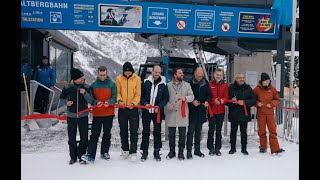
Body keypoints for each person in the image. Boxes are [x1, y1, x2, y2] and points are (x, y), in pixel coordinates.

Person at [81, 66, 117, 163]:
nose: (102, 77)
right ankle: (91, 155)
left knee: (107, 134)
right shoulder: (93, 85)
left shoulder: (112, 84)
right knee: (94, 135)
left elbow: (115, 97)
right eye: (100, 75)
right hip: (97, 114)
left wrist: (108, 102)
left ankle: (104, 152)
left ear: (107, 73)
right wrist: (96, 102)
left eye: (104, 75)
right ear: (98, 74)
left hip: (109, 114)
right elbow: (91, 100)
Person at [60, 68, 93, 165]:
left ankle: (82, 156)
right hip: (71, 117)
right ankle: (73, 157)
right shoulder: (67, 87)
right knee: (71, 138)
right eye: (81, 78)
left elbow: (91, 101)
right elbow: (61, 99)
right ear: (75, 79)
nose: (83, 80)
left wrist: (85, 93)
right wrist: (67, 102)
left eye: (83, 78)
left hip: (83, 116)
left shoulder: (86, 87)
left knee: (84, 137)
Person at [140, 65, 169, 162]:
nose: (157, 74)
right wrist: (145, 104)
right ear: (152, 72)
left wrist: (159, 106)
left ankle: (157, 151)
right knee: (145, 132)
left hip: (157, 112)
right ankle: (144, 151)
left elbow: (165, 98)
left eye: (159, 72)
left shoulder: (163, 84)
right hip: (146, 111)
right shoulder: (146, 82)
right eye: (155, 72)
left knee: (157, 132)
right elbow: (141, 96)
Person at [165, 67, 194, 160]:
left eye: (182, 73)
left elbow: (192, 97)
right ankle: (172, 151)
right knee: (171, 134)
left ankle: (181, 152)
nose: (182, 74)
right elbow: (164, 98)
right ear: (175, 75)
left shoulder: (187, 85)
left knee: (182, 134)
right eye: (180, 73)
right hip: (171, 112)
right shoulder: (168, 85)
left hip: (182, 113)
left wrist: (185, 98)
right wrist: (168, 104)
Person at [253, 72, 285, 155]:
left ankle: (275, 148)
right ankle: (263, 147)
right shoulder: (257, 89)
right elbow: (252, 100)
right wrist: (257, 103)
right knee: (262, 131)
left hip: (270, 113)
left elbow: (277, 99)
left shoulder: (272, 89)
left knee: (272, 130)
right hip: (261, 113)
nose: (267, 82)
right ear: (262, 81)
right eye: (265, 81)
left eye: (268, 80)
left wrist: (271, 104)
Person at [116, 62, 141, 161]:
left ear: (132, 71)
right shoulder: (118, 79)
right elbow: (118, 92)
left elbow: (138, 94)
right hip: (122, 109)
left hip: (133, 109)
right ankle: (125, 150)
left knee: (134, 131)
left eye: (129, 72)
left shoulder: (137, 79)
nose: (127, 74)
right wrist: (120, 101)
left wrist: (134, 103)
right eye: (125, 72)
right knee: (123, 130)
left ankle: (133, 152)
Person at [226, 73, 255, 155]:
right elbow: (226, 101)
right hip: (234, 113)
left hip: (244, 113)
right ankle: (232, 148)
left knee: (244, 132)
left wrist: (244, 102)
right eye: (239, 78)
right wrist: (232, 101)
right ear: (236, 79)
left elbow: (253, 100)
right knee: (233, 132)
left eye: (242, 78)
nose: (241, 79)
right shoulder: (231, 88)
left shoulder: (248, 88)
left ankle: (244, 148)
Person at [186, 67, 211, 159]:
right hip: (192, 110)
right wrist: (192, 102)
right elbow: (186, 95)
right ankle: (188, 151)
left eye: (201, 76)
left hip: (201, 110)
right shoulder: (189, 83)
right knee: (190, 132)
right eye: (198, 76)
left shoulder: (205, 83)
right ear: (195, 74)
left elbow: (209, 94)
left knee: (198, 132)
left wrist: (207, 101)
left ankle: (197, 150)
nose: (199, 78)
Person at [207, 68, 228, 156]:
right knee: (211, 130)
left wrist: (223, 100)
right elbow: (207, 96)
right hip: (211, 111)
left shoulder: (225, 85)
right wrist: (213, 101)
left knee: (219, 130)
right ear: (214, 75)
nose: (218, 76)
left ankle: (217, 148)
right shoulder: (209, 84)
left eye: (220, 75)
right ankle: (210, 148)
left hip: (221, 111)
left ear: (222, 76)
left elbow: (226, 97)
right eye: (217, 75)